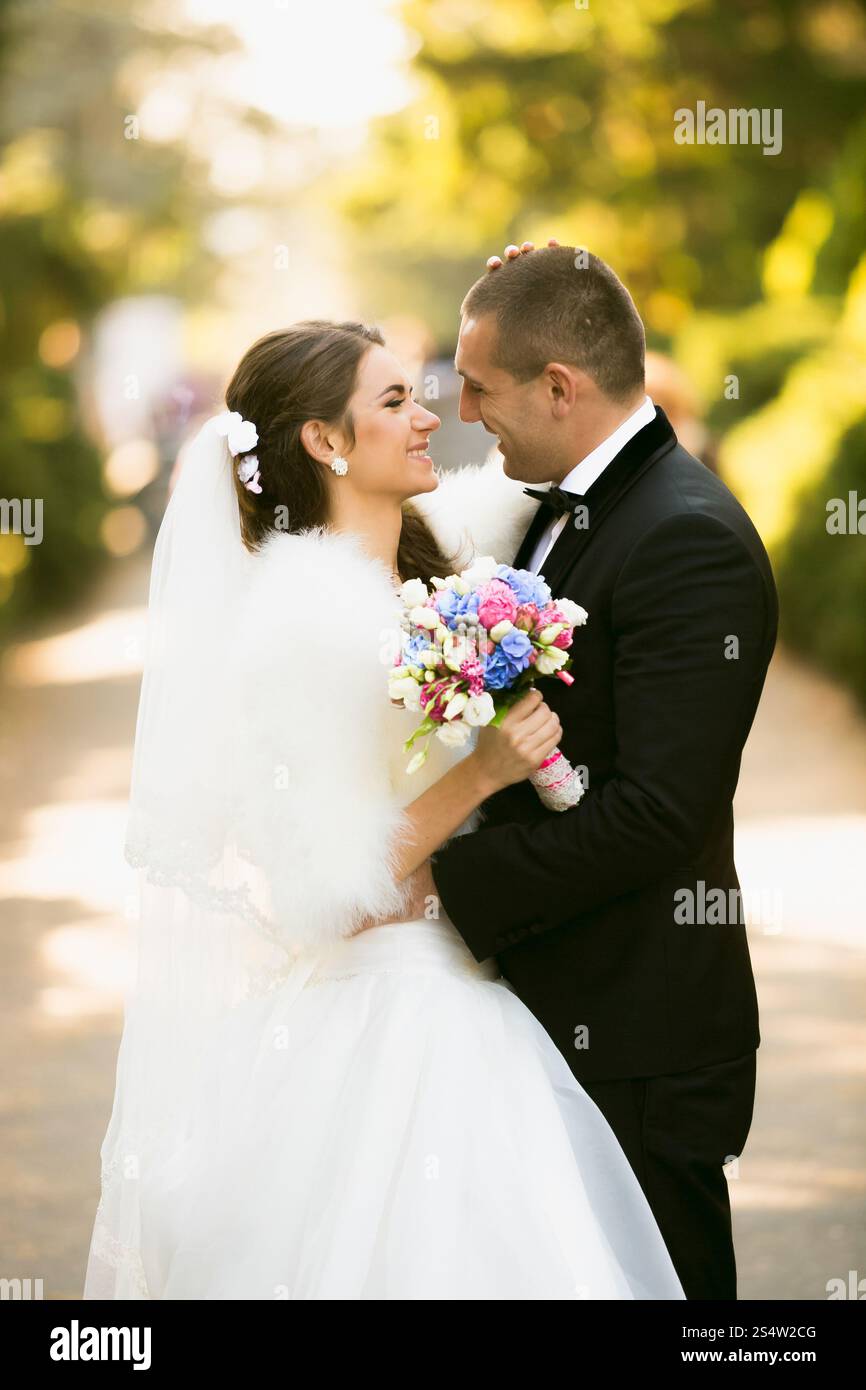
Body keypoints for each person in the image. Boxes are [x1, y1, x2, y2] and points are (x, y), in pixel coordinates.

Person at [83, 316, 686, 1300]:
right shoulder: (301, 625)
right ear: (323, 440)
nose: (428, 415)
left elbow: (534, 474)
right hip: (394, 1013)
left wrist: (535, 308)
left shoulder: (424, 565)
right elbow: (320, 899)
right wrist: (481, 771)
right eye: (395, 400)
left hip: (466, 981)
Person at [399, 240, 778, 1301]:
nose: (467, 411)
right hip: (565, 1010)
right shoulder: (572, 510)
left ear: (557, 386)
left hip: (637, 1032)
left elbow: (655, 815)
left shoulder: (682, 538)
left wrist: (441, 890)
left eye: (479, 387)